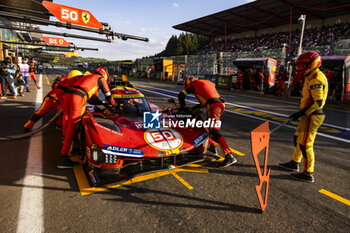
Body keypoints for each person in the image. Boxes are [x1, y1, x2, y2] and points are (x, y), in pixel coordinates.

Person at [279, 51, 328, 183]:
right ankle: (294, 162)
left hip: (312, 115)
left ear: (311, 64)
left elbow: (317, 102)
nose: (299, 68)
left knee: (306, 144)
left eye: (302, 66)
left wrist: (302, 113)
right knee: (298, 139)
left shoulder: (315, 78)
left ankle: (308, 173)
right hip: (307, 114)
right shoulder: (310, 76)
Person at [58, 67, 117, 168]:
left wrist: (102, 103)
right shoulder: (100, 78)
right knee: (74, 124)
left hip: (68, 95)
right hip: (78, 97)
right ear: (105, 75)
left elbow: (92, 100)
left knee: (67, 121)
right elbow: (107, 93)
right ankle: (64, 157)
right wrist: (114, 105)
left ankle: (69, 146)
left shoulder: (89, 78)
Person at [178, 76, 237, 167]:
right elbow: (208, 97)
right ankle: (213, 147)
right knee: (207, 126)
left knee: (213, 131)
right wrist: (197, 107)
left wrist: (183, 107)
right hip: (219, 104)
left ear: (188, 83)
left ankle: (229, 156)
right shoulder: (206, 83)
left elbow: (181, 95)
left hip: (214, 106)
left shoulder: (194, 84)